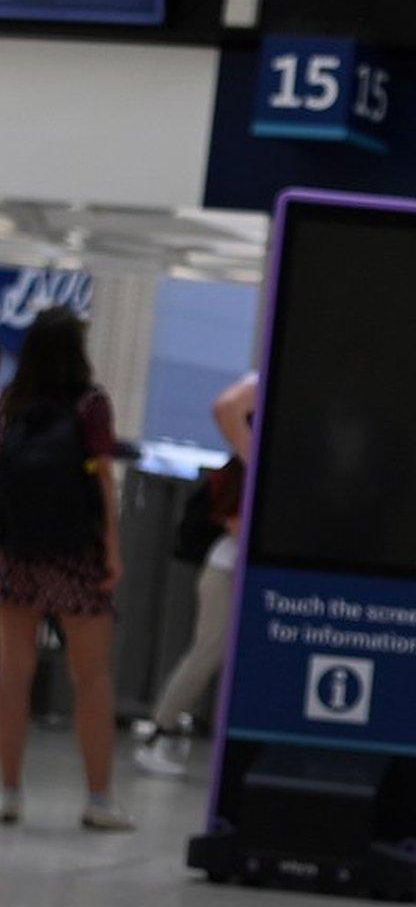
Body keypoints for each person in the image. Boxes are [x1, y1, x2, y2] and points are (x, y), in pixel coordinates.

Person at [0, 307, 134, 830]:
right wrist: (113, 551)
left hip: (19, 559)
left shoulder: (15, 401)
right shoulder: (91, 403)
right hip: (77, 560)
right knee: (93, 679)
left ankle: (8, 793)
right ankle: (99, 801)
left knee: (12, 679)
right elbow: (102, 481)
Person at [134, 371, 256, 778]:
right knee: (207, 651)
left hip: (234, 570)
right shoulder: (247, 468)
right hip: (227, 570)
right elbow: (236, 524)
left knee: (217, 654)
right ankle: (159, 728)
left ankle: (165, 726)